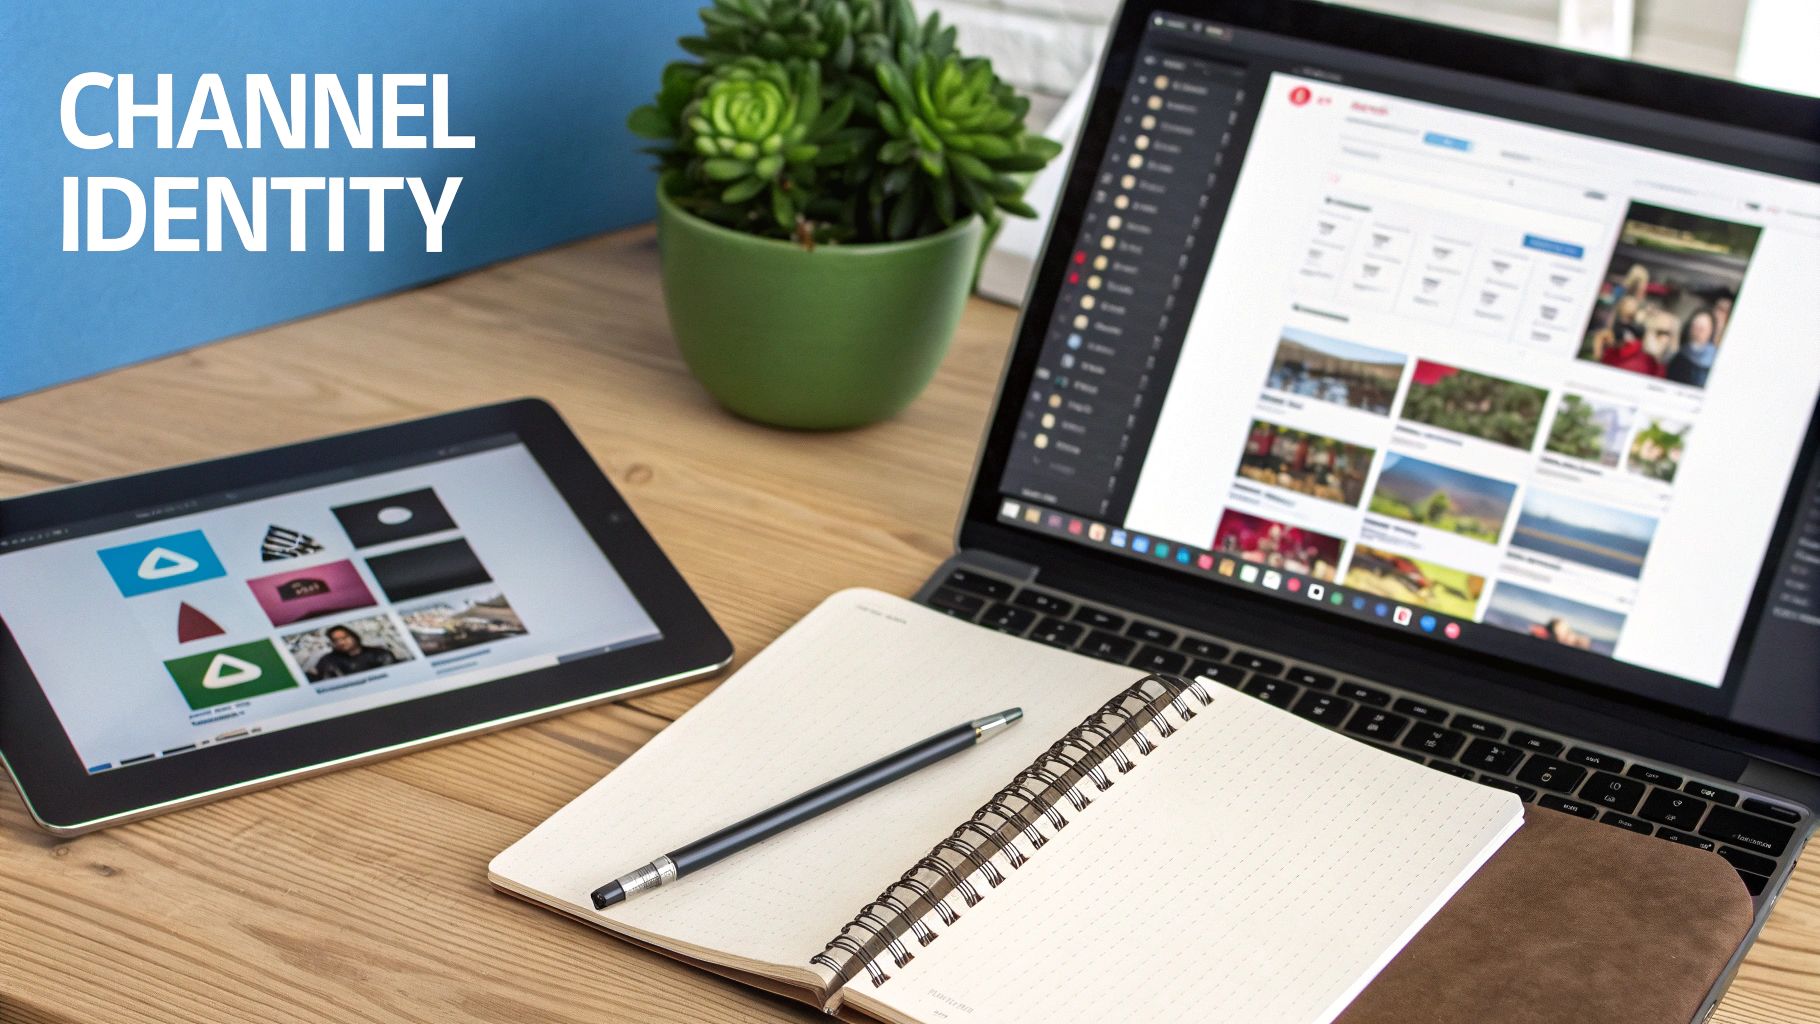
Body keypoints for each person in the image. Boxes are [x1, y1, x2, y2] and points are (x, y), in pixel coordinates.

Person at [310, 624, 399, 679]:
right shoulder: (327, 661)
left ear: (354, 636)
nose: (341, 642)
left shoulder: (380, 654)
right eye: (335, 640)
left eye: (344, 638)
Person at [1666, 307, 1719, 387]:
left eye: (1702, 329)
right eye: (1696, 327)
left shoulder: (1717, 359)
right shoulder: (1680, 355)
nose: (1698, 332)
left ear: (1711, 331)